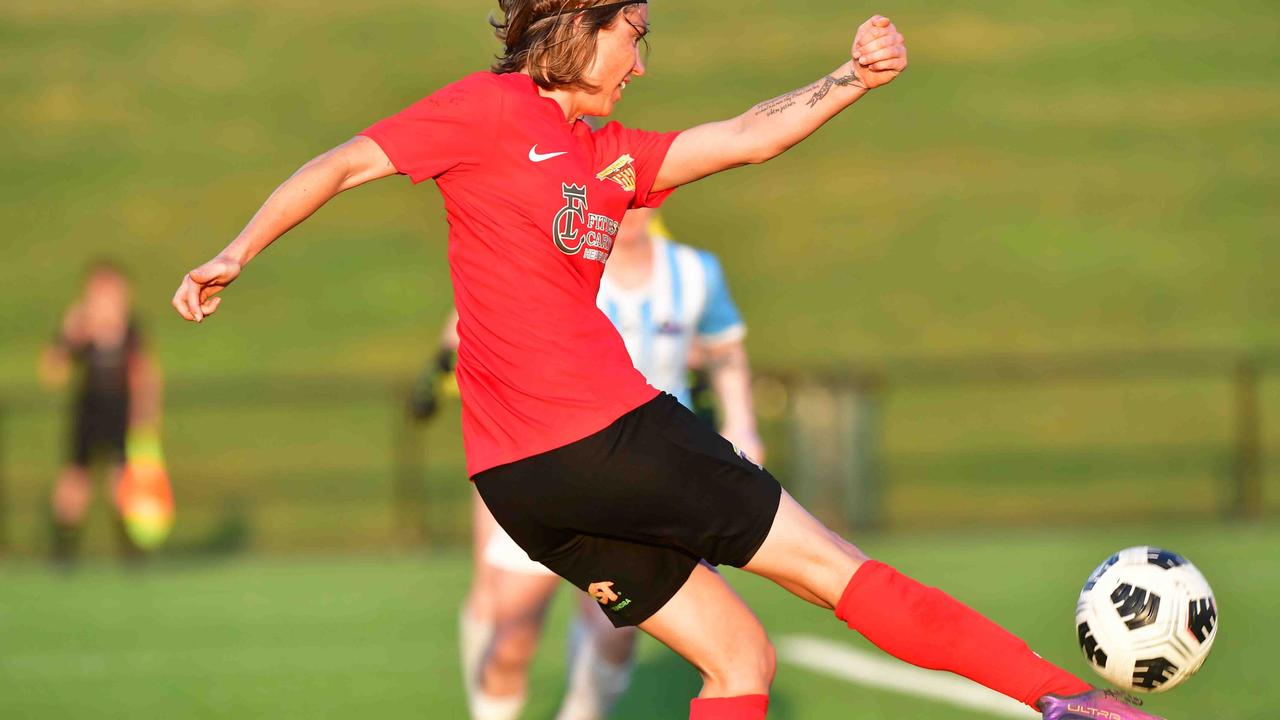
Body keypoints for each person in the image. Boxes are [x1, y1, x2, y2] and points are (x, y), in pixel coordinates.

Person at [171, 3, 1162, 719]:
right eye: (637, 32)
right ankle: (1068, 701)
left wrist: (848, 80)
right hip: (609, 437)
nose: (641, 61)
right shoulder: (482, 110)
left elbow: (741, 140)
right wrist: (236, 251)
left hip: (519, 483)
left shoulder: (609, 156)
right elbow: (343, 160)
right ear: (580, 22)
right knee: (831, 568)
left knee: (737, 660)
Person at [442, 206, 764, 720]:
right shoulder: (556, 265)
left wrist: (742, 424)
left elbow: (725, 350)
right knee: (512, 636)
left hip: (651, 476)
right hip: (553, 470)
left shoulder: (693, 271)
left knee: (616, 635)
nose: (629, 211)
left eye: (639, 197)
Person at [41, 261, 163, 562]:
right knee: (75, 478)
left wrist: (145, 412)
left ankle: (131, 550)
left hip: (120, 411)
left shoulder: (130, 329)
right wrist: (72, 336)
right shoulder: (80, 328)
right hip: (88, 409)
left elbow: (144, 372)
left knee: (121, 480)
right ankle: (64, 550)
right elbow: (52, 371)